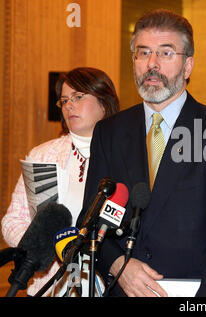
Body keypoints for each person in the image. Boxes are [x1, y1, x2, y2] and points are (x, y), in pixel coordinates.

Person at [78, 9, 206, 297]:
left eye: (166, 53)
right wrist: (119, 265)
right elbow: (91, 222)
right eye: (142, 53)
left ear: (188, 66)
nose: (152, 64)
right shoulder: (109, 132)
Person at [1, 67, 120, 296]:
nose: (69, 105)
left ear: (104, 103)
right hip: (49, 286)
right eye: (64, 100)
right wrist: (48, 244)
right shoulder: (42, 155)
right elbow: (12, 221)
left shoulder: (125, 157)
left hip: (106, 285)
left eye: (78, 97)